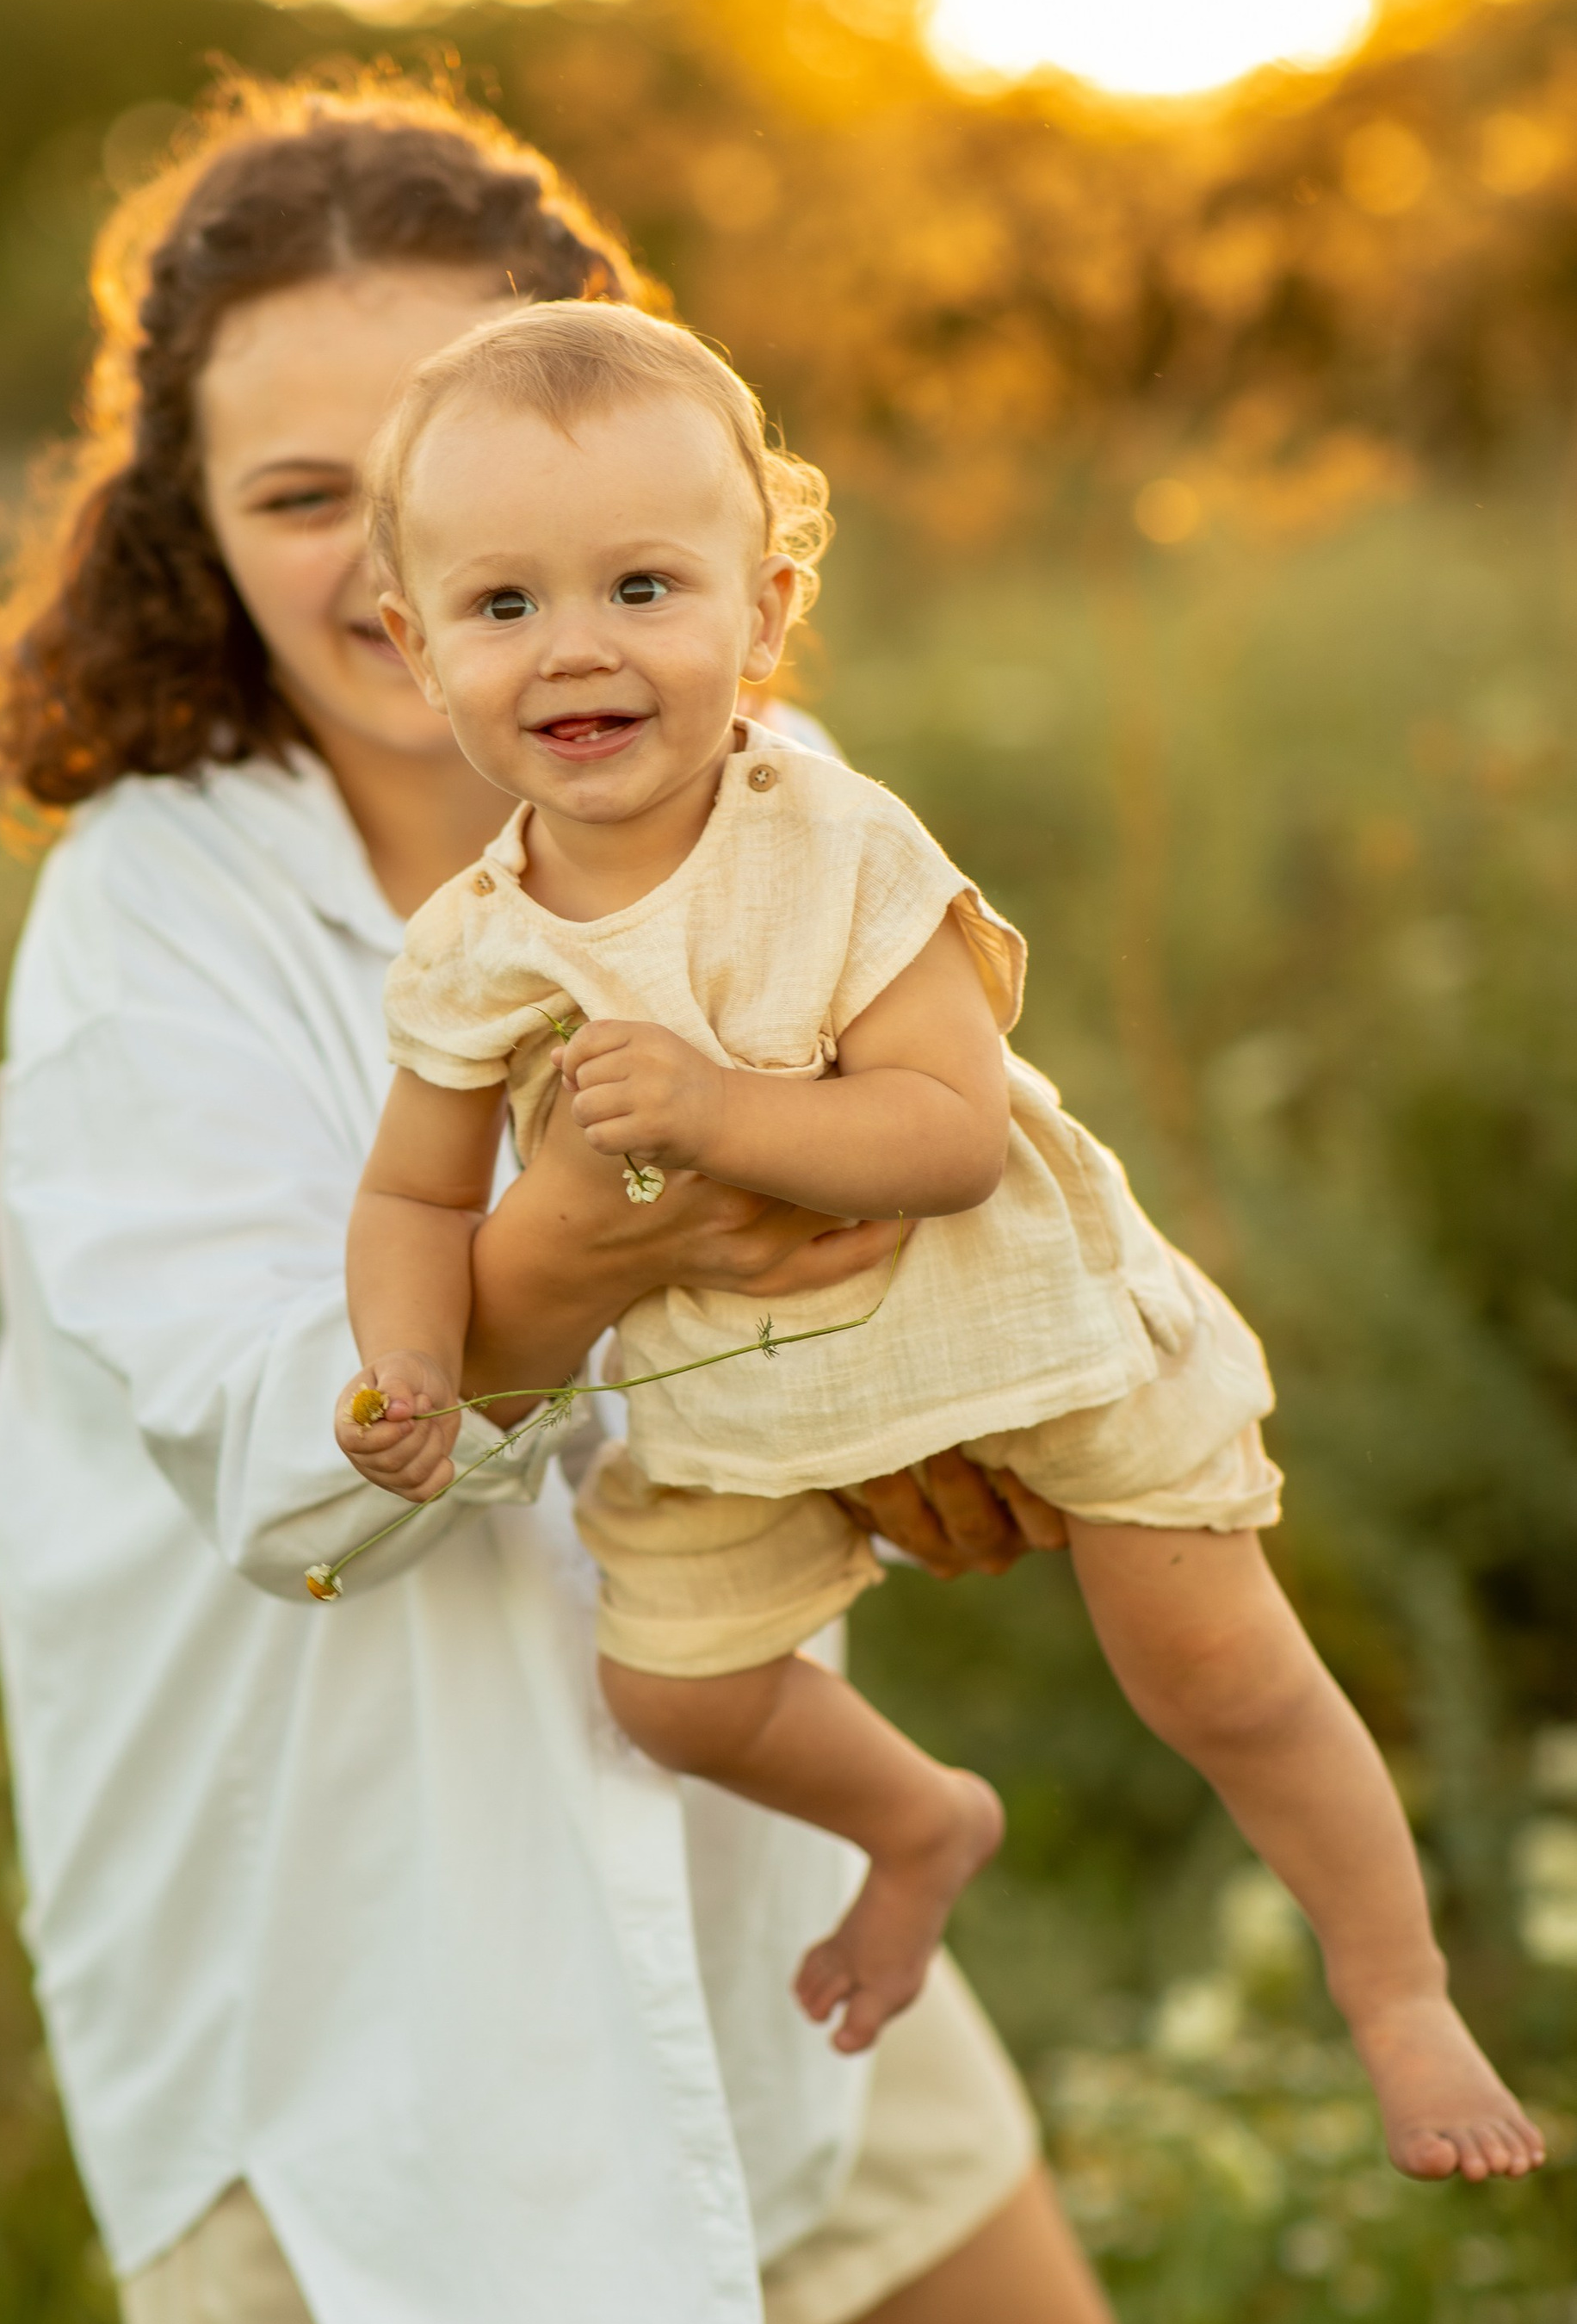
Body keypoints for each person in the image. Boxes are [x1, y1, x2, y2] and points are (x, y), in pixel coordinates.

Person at [0, 68, 1205, 2324]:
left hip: (711, 1808)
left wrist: (948, 1372)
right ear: (199, 530)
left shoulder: (738, 811)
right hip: (341, 1955)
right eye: (308, 497)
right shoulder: (158, 929)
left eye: (464, 478)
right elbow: (290, 1446)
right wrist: (570, 1257)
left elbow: (941, 1202)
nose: (405, 575)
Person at [337, 297, 1543, 2191]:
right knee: (668, 1691)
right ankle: (916, 1822)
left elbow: (951, 1134)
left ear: (766, 608)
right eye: (500, 608)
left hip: (1020, 1327)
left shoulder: (829, 840)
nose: (574, 646)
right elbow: (414, 1194)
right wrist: (409, 1364)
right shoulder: (472, 949)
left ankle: (1391, 1987)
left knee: (1212, 1668)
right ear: (411, 647)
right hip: (742, 1391)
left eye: (643, 586)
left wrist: (720, 1110)